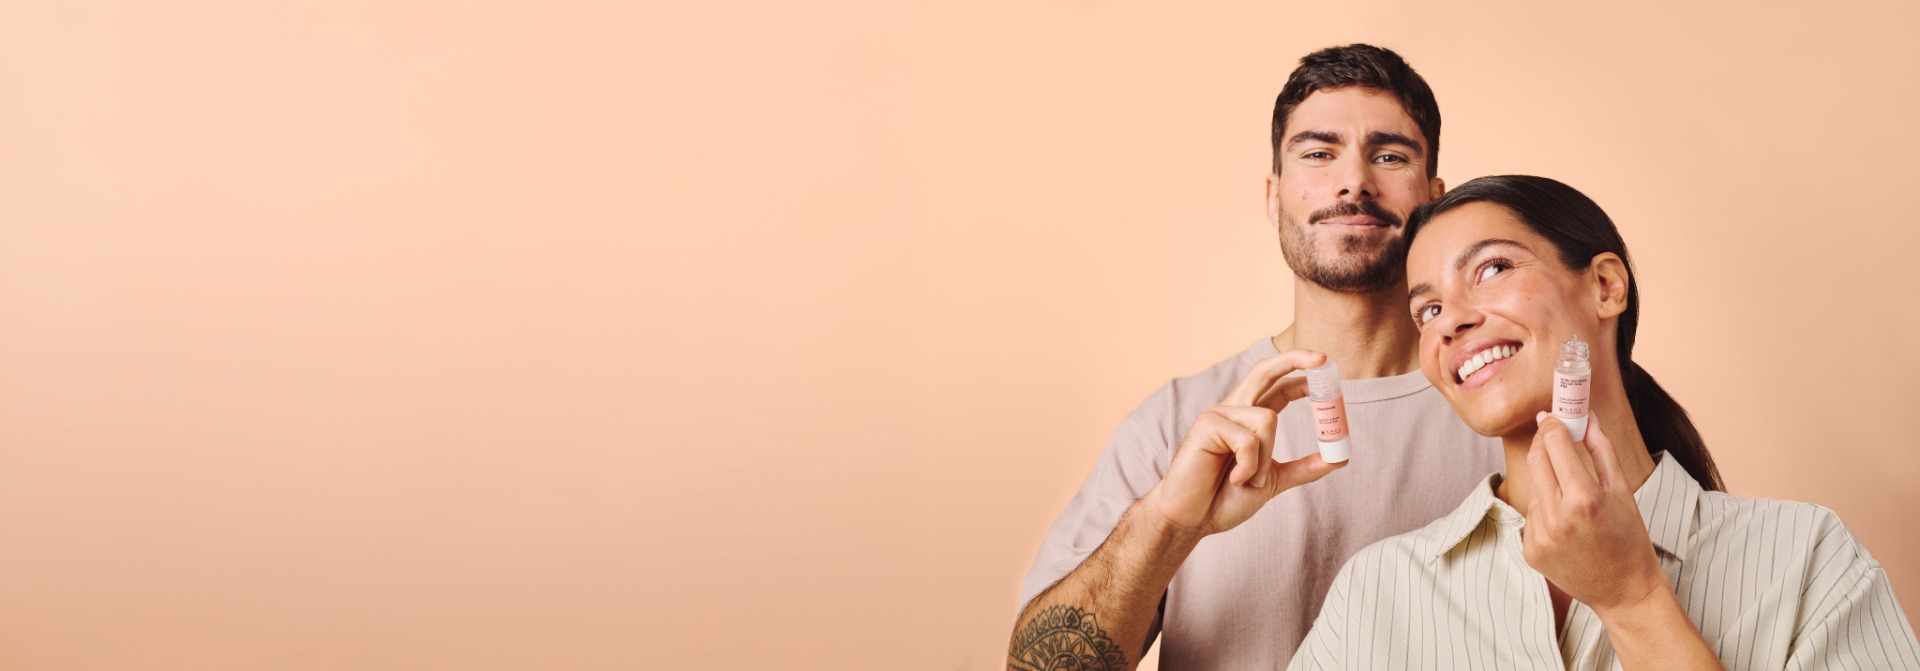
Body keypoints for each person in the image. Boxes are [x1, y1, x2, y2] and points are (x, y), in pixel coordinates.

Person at [1289, 175, 1920, 669]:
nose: (1450, 320)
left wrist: (1633, 599)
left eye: (1493, 269)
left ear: (1606, 286)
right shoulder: (1379, 591)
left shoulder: (1805, 558)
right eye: (1427, 310)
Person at [1007, 44, 1502, 670]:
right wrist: (1169, 525)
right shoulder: (1177, 424)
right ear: (1274, 197)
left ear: (1434, 199)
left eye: (1389, 156)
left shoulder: (1506, 406)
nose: (1354, 182)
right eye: (1318, 154)